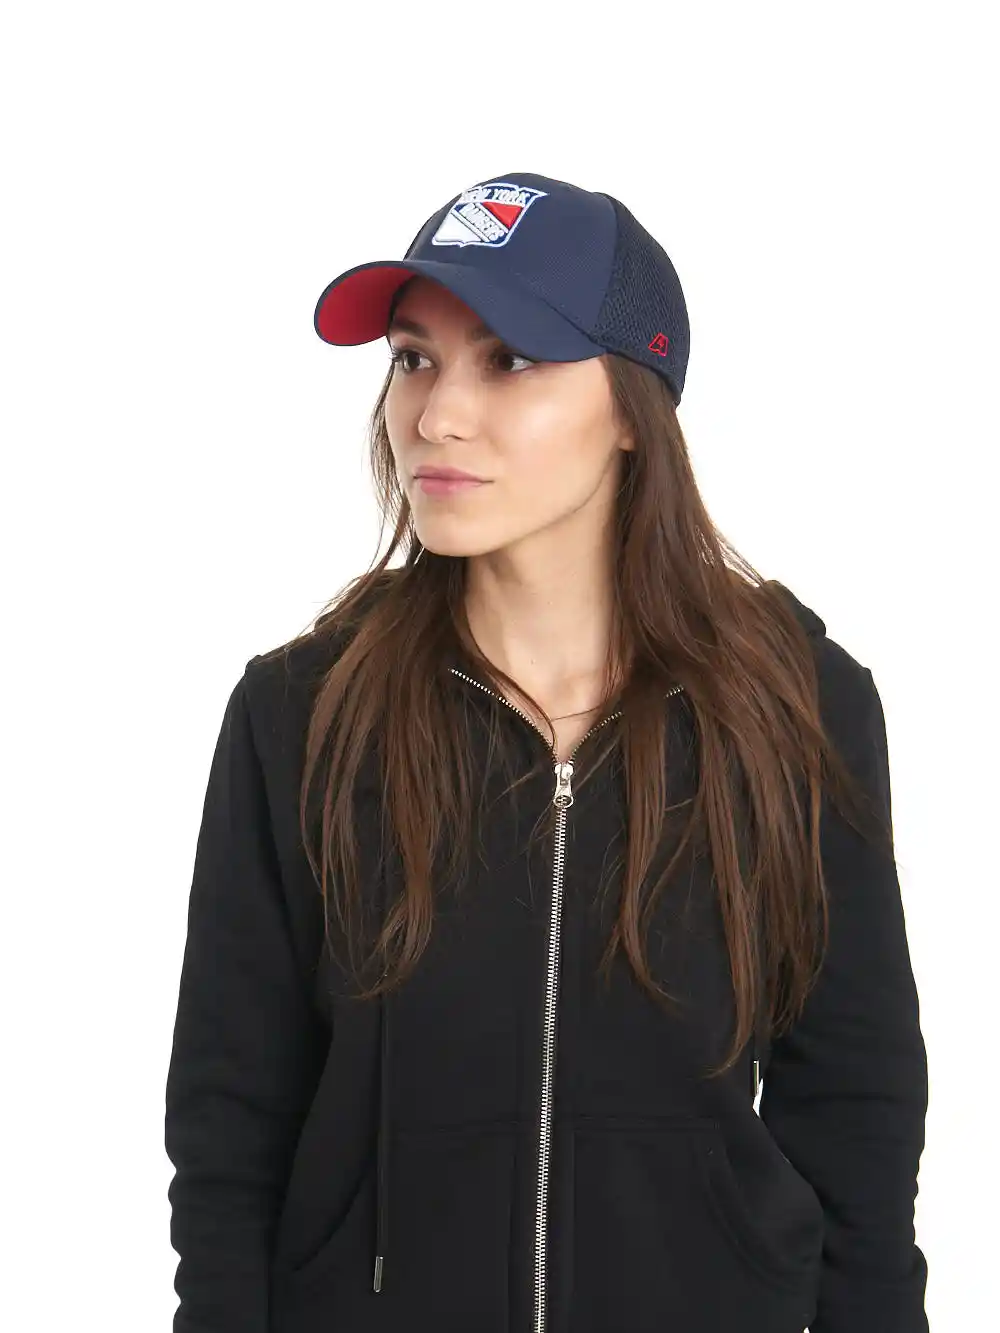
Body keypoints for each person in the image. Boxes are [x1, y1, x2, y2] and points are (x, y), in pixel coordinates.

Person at [163, 172, 929, 1333]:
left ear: (630, 405)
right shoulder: (301, 714)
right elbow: (229, 1128)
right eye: (413, 359)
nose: (436, 416)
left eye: (509, 360)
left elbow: (857, 1111)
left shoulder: (797, 706)